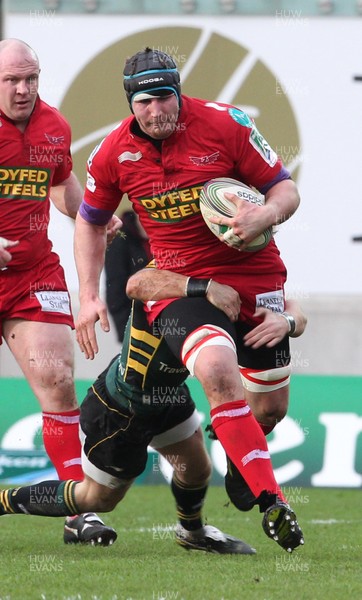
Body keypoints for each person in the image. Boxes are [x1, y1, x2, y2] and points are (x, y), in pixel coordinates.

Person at [74, 47, 304, 552]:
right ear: (129, 104)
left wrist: (265, 215)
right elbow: (90, 222)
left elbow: (284, 190)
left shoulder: (229, 125)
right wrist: (88, 295)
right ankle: (274, 502)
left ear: (178, 92)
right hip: (181, 285)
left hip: (255, 276)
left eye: (163, 97)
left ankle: (242, 446)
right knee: (219, 375)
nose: (155, 111)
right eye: (142, 102)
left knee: (268, 408)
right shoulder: (112, 152)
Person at [0, 294, 260, 556]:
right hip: (124, 405)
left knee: (196, 469)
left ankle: (192, 533)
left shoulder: (222, 280)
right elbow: (136, 284)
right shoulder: (161, 279)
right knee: (96, 498)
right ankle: (4, 501)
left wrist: (288, 320)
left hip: (167, 393)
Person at [0, 38, 117, 545]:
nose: (23, 89)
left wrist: (93, 215)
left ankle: (78, 510)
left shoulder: (54, 126)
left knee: (57, 379)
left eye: (31, 78)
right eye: (11, 81)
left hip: (32, 273)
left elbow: (61, 184)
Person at [105, 209, 152, 343]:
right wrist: (126, 335)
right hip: (138, 324)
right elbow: (115, 289)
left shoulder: (173, 237)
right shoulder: (120, 238)